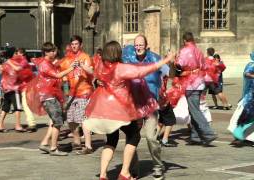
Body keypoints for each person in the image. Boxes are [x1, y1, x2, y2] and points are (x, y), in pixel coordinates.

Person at [84, 41, 174, 180]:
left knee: (111, 139)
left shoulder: (102, 66)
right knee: (134, 136)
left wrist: (89, 72)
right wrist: (166, 60)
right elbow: (141, 71)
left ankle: (103, 174)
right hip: (119, 109)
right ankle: (125, 172)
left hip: (104, 108)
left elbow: (94, 72)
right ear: (117, 53)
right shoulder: (120, 68)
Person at [122, 35, 168, 179]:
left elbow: (170, 73)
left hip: (150, 105)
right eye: (136, 45)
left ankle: (158, 166)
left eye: (141, 44)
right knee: (131, 137)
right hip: (133, 105)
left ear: (146, 46)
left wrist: (172, 64)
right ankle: (134, 168)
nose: (138, 47)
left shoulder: (155, 59)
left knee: (150, 137)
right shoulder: (128, 58)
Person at [27, 42, 76, 156]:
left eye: (55, 51)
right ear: (46, 52)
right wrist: (71, 68)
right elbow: (57, 75)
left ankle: (44, 143)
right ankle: (54, 148)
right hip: (48, 96)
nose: (55, 53)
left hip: (50, 95)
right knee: (58, 122)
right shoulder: (45, 64)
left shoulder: (48, 62)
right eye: (52, 51)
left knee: (54, 122)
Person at [176, 32, 217, 146]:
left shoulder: (184, 51)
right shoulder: (198, 50)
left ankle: (208, 133)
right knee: (193, 109)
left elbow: (179, 65)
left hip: (190, 83)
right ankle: (196, 136)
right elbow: (204, 66)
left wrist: (174, 62)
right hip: (200, 82)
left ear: (184, 40)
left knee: (194, 110)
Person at [60, 35, 94, 154]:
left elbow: (91, 71)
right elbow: (64, 78)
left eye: (76, 44)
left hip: (84, 91)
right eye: (72, 44)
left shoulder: (85, 57)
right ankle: (77, 142)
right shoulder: (67, 59)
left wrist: (81, 65)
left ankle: (88, 146)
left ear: (81, 45)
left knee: (84, 119)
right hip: (72, 93)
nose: (74, 46)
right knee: (71, 119)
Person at [0, 48, 33, 133]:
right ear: (13, 54)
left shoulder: (7, 63)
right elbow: (17, 69)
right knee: (17, 107)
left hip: (6, 88)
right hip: (14, 88)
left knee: (6, 107)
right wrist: (7, 63)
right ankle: (18, 125)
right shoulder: (11, 62)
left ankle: (0, 125)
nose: (17, 55)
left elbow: (2, 72)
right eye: (16, 53)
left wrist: (1, 66)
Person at [228, 52, 254, 146]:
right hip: (249, 97)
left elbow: (246, 74)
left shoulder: (251, 64)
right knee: (241, 117)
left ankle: (241, 137)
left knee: (242, 118)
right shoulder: (251, 64)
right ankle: (241, 137)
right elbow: (246, 74)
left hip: (250, 98)